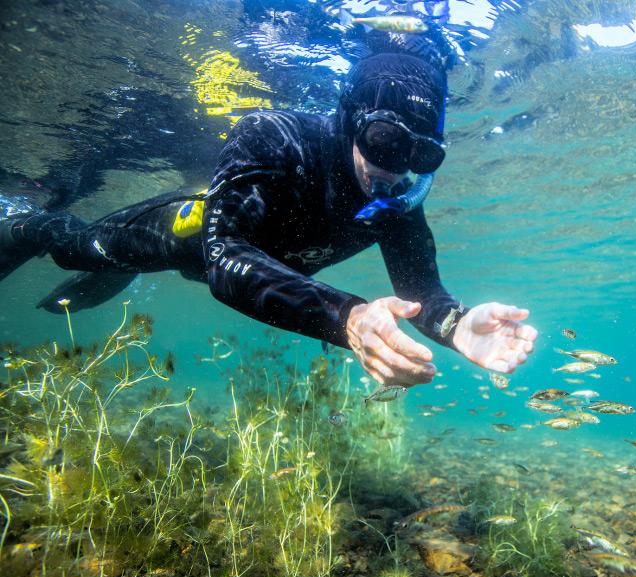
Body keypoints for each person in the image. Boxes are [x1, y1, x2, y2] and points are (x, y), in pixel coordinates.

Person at [0, 49, 537, 386]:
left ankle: (115, 273)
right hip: (186, 235)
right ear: (352, 118)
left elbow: (422, 292)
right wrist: (348, 318)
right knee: (78, 251)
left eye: (421, 154)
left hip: (249, 264)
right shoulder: (274, 136)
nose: (395, 168)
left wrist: (458, 326)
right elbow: (224, 257)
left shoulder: (396, 202)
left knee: (105, 268)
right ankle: (28, 223)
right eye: (384, 141)